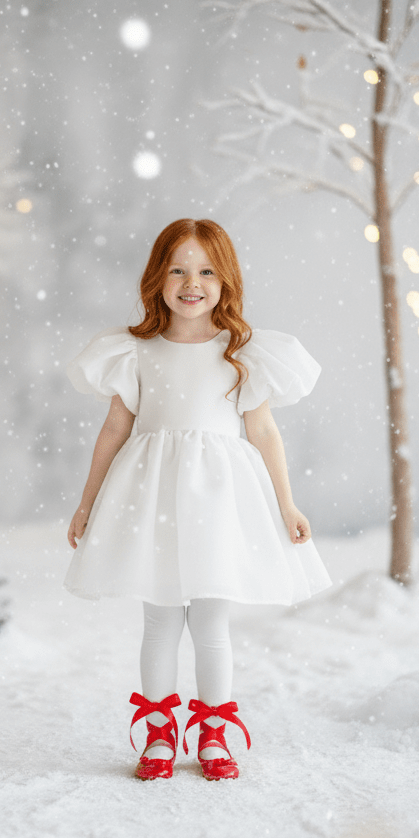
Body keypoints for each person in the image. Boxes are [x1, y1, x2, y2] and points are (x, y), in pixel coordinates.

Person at [64, 218, 331, 781]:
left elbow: (263, 433)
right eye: (178, 269)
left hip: (218, 504)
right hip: (152, 496)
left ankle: (213, 732)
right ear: (157, 279)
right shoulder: (137, 352)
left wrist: (287, 503)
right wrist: (87, 504)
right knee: (159, 623)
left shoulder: (239, 351)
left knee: (212, 624)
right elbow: (114, 431)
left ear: (225, 279)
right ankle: (159, 734)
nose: (192, 282)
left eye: (207, 270)